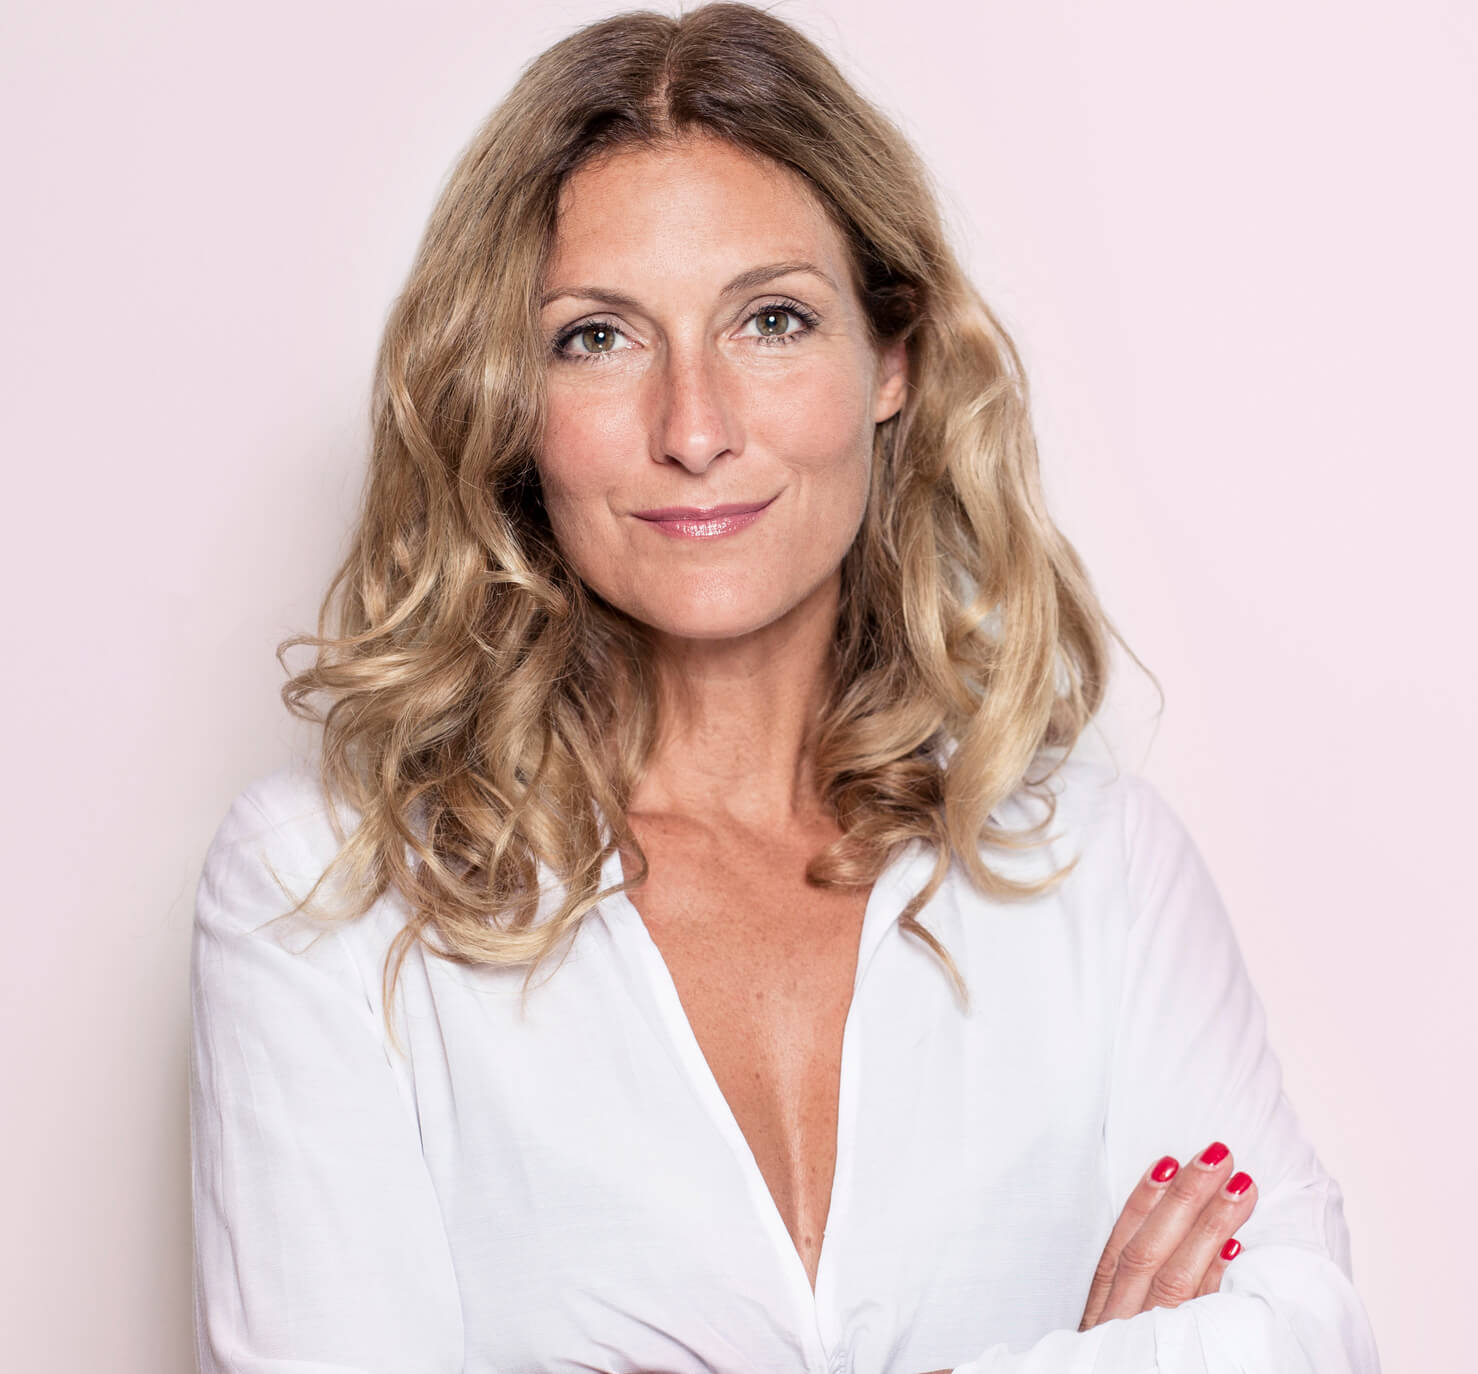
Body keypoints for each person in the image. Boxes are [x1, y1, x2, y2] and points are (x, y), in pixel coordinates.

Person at [188, 4, 1381, 1371]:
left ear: (891, 359)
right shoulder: (324, 894)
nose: (693, 428)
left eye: (771, 319)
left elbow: (1307, 1332)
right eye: (597, 337)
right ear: (507, 396)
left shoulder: (1096, 871)